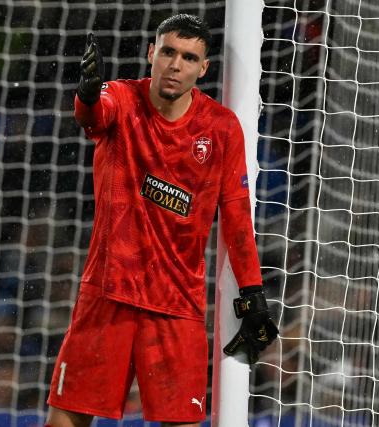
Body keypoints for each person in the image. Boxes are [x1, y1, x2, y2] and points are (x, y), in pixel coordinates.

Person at [45, 14, 278, 427]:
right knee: (66, 420)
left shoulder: (221, 129)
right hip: (108, 294)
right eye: (168, 52)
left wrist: (253, 291)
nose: (176, 64)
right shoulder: (121, 98)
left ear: (203, 68)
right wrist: (86, 94)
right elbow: (93, 116)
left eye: (189, 57)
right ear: (152, 53)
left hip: (176, 305)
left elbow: (238, 218)